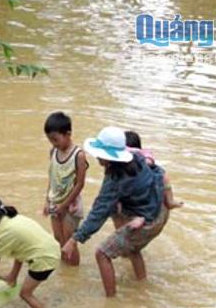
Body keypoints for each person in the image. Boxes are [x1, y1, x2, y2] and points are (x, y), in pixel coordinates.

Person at [62, 126, 169, 297]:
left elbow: (99, 211)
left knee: (102, 254)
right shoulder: (137, 157)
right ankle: (142, 285)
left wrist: (75, 239)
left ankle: (111, 301)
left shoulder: (116, 179)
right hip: (160, 211)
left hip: (147, 222)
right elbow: (159, 174)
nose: (97, 157)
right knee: (132, 247)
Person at [0, 196, 60, 308]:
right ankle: (12, 278)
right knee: (18, 248)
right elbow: (19, 250)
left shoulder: (3, 234)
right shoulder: (15, 217)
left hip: (45, 260)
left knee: (25, 294)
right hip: (53, 249)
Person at [43, 112, 88, 266]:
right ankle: (65, 271)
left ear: (68, 134)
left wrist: (64, 206)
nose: (53, 143)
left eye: (55, 139)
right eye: (50, 140)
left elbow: (80, 184)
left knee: (70, 240)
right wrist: (47, 200)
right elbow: (52, 177)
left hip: (71, 205)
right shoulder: (53, 152)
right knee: (58, 238)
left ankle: (73, 269)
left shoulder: (79, 155)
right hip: (55, 201)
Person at [124, 130, 183, 210]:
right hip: (129, 172)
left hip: (145, 171)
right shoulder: (121, 155)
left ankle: (170, 201)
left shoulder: (144, 153)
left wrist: (140, 161)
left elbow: (149, 161)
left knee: (163, 175)